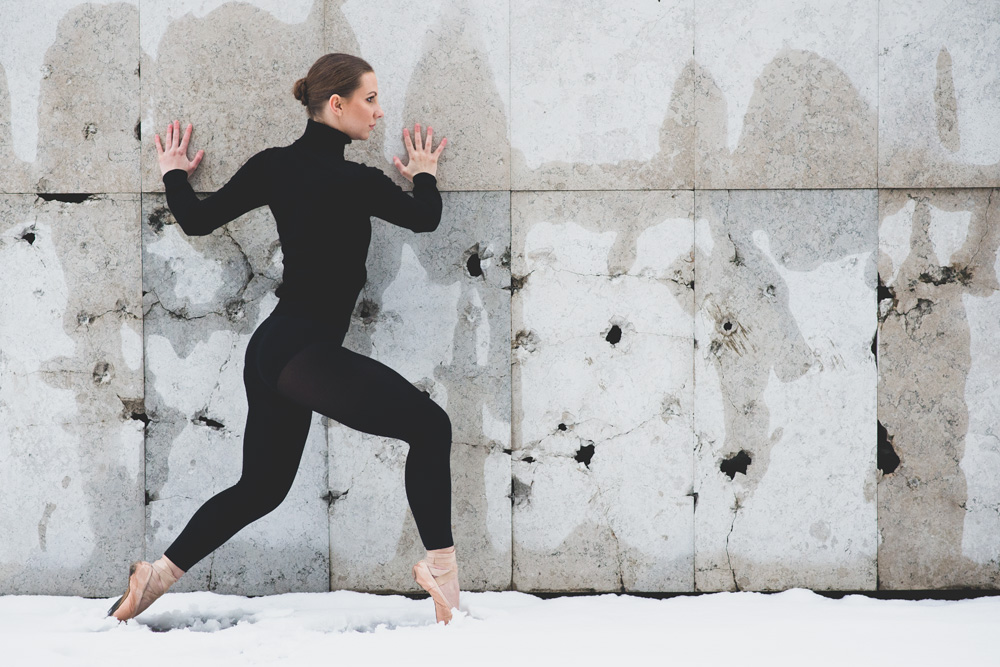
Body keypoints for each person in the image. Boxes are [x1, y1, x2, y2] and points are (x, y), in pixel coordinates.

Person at [107, 53, 460, 625]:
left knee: (261, 488)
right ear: (337, 104)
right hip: (304, 354)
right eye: (370, 99)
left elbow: (196, 220)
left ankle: (156, 577)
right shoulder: (358, 181)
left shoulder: (275, 165)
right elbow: (425, 218)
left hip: (274, 350)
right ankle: (443, 575)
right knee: (431, 426)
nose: (379, 110)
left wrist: (173, 172)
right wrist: (424, 172)